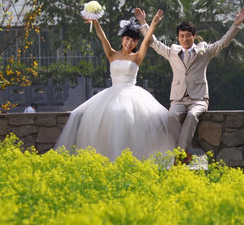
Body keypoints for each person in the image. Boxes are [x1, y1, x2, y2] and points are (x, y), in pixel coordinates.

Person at [54, 10, 175, 161]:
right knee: (93, 116)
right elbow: (103, 38)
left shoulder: (137, 56)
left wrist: (153, 24)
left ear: (136, 43)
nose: (129, 43)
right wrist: (96, 23)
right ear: (122, 39)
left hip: (132, 94)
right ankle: (108, 158)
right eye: (126, 39)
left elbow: (147, 41)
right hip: (112, 94)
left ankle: (131, 158)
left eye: (132, 41)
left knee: (127, 116)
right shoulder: (112, 54)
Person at [135, 6, 244, 163]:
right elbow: (153, 42)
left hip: (198, 98)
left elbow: (223, 43)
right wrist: (143, 23)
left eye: (188, 35)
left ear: (194, 36)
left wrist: (236, 24)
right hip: (178, 98)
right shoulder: (172, 52)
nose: (185, 39)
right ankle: (184, 154)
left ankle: (180, 156)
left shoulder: (205, 51)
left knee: (192, 115)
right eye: (181, 36)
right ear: (178, 38)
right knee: (172, 116)